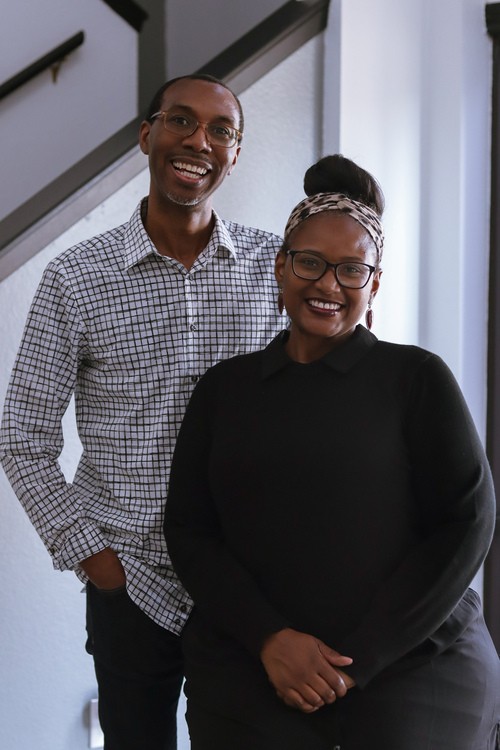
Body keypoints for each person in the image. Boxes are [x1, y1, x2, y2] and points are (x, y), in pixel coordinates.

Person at [164, 154, 500, 750]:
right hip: (256, 663)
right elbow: (190, 531)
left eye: (351, 270)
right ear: (281, 265)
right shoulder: (225, 390)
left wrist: (356, 661)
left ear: (374, 284)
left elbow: (467, 522)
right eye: (310, 262)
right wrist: (270, 638)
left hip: (413, 663)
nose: (328, 285)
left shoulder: (416, 378)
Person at [0, 74, 286, 750]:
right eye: (180, 121)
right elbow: (22, 435)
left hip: (248, 583)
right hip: (131, 583)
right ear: (146, 136)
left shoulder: (274, 269)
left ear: (236, 154)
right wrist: (93, 557)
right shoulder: (76, 277)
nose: (199, 141)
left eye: (221, 130)